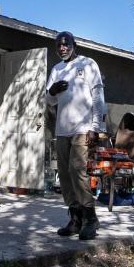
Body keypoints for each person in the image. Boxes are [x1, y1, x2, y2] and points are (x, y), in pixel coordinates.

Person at [45, 31, 106, 241]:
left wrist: (96, 127)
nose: (62, 48)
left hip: (83, 128)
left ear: (74, 44)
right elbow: (50, 102)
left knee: (76, 170)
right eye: (58, 45)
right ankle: (75, 218)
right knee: (64, 174)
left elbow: (98, 97)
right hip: (62, 130)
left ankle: (91, 218)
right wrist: (51, 91)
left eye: (65, 44)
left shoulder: (88, 64)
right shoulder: (56, 69)